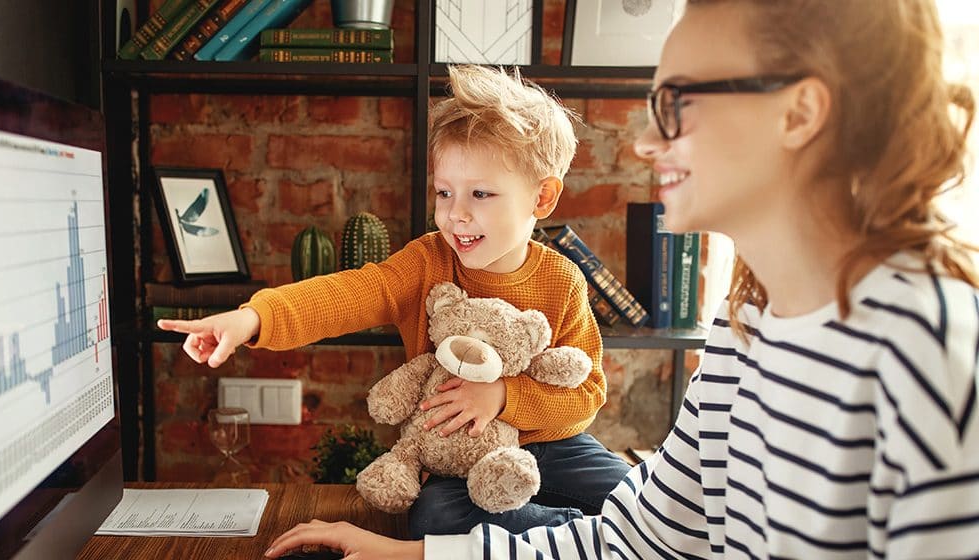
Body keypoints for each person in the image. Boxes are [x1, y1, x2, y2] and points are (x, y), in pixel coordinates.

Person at [262, 0, 979, 558]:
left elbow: (587, 411)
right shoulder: (743, 331)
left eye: (678, 104)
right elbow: (637, 540)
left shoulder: (928, 350)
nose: (645, 142)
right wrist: (413, 554)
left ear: (800, 111)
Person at [158, 64, 630, 538]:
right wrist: (252, 319)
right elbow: (344, 295)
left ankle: (577, 537)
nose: (455, 213)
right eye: (444, 192)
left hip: (557, 447)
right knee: (435, 518)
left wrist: (504, 396)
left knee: (634, 494)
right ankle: (579, 539)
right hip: (458, 454)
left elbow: (586, 393)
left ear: (542, 197)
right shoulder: (427, 262)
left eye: (481, 194)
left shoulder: (562, 279)